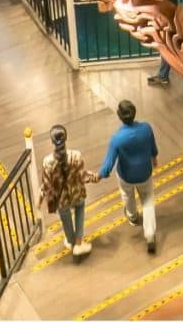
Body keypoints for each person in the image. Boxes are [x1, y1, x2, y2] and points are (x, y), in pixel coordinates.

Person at [98, 100, 160, 255]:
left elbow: (108, 164)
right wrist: (154, 158)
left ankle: (132, 216)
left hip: (126, 175)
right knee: (148, 200)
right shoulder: (146, 128)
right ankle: (150, 234)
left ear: (120, 117)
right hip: (145, 172)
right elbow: (153, 147)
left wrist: (99, 175)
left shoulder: (117, 138)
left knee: (127, 195)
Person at [41, 125, 92, 260]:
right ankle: (79, 243)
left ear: (52, 141)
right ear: (66, 138)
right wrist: (95, 177)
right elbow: (83, 176)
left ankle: (71, 241)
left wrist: (40, 199)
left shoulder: (47, 162)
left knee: (65, 217)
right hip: (76, 193)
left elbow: (47, 185)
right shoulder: (76, 155)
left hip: (61, 198)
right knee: (80, 209)